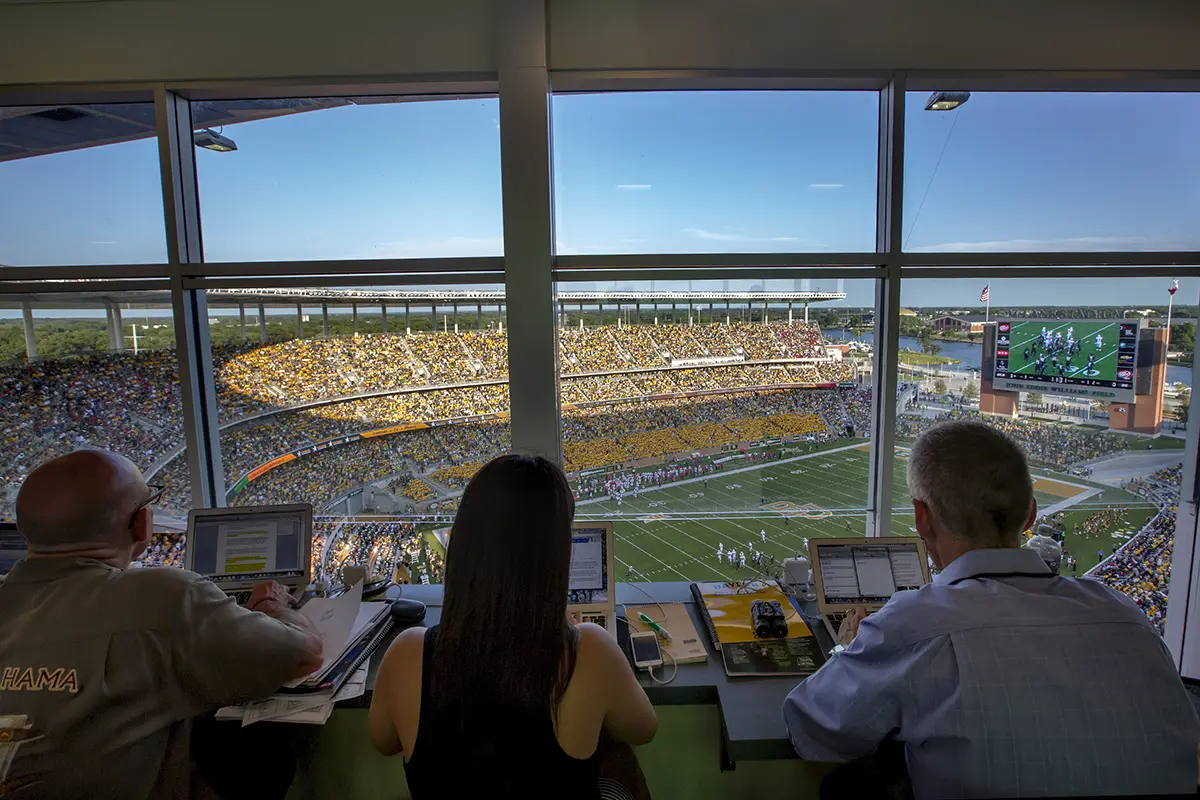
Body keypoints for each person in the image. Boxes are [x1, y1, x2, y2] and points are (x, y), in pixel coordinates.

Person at [782, 421, 1200, 798]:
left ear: (921, 519)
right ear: (1030, 515)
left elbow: (811, 728)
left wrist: (847, 650)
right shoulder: (1126, 615)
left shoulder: (915, 625)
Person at [0, 449, 323, 799]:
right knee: (261, 752)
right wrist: (271, 604)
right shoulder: (164, 597)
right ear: (141, 523)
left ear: (23, 526)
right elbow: (303, 652)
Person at [368, 455, 655, 799]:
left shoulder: (406, 654)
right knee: (616, 756)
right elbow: (643, 728)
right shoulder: (589, 652)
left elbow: (384, 741)